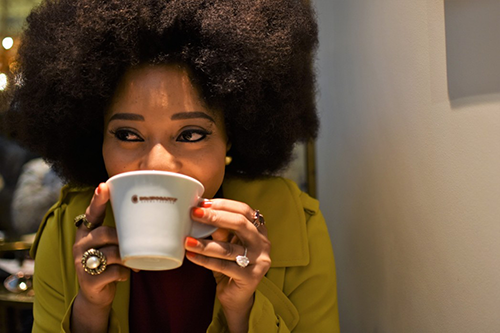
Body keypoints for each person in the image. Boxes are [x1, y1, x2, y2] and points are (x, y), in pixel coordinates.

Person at [4, 0, 339, 332]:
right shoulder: (66, 233)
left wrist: (244, 309)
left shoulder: (297, 225)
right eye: (127, 134)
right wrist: (90, 311)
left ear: (232, 136)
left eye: (191, 134)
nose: (158, 162)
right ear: (95, 137)